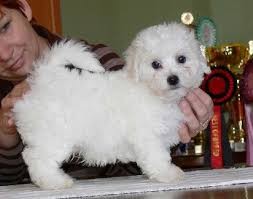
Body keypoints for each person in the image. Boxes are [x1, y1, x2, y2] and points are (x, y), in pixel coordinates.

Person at [0, 0, 214, 185]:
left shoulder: (103, 61)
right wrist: (5, 136)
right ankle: (44, 170)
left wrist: (184, 126)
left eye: (5, 27)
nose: (4, 53)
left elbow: (128, 161)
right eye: (157, 64)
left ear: (23, 8)